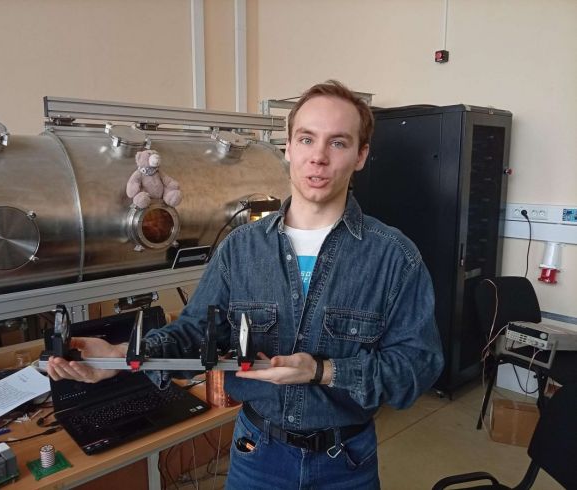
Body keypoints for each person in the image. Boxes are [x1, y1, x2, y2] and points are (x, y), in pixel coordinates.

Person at [47, 80, 444, 489]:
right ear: (288, 148)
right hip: (258, 457)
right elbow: (193, 333)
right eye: (307, 139)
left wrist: (322, 371)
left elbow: (417, 369)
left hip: (345, 462)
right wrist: (118, 356)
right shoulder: (240, 248)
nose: (319, 157)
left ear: (360, 155)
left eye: (338, 143)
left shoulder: (394, 257)